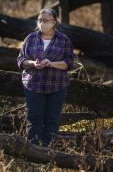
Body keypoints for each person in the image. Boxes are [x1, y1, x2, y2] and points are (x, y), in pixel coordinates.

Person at [16, 8, 74, 147]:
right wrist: (33, 63)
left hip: (57, 86)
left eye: (46, 20)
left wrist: (52, 63)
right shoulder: (30, 38)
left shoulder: (63, 40)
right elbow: (21, 60)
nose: (42, 23)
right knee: (34, 119)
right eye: (40, 20)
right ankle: (33, 150)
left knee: (52, 120)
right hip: (34, 85)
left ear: (54, 22)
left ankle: (48, 152)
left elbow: (69, 62)